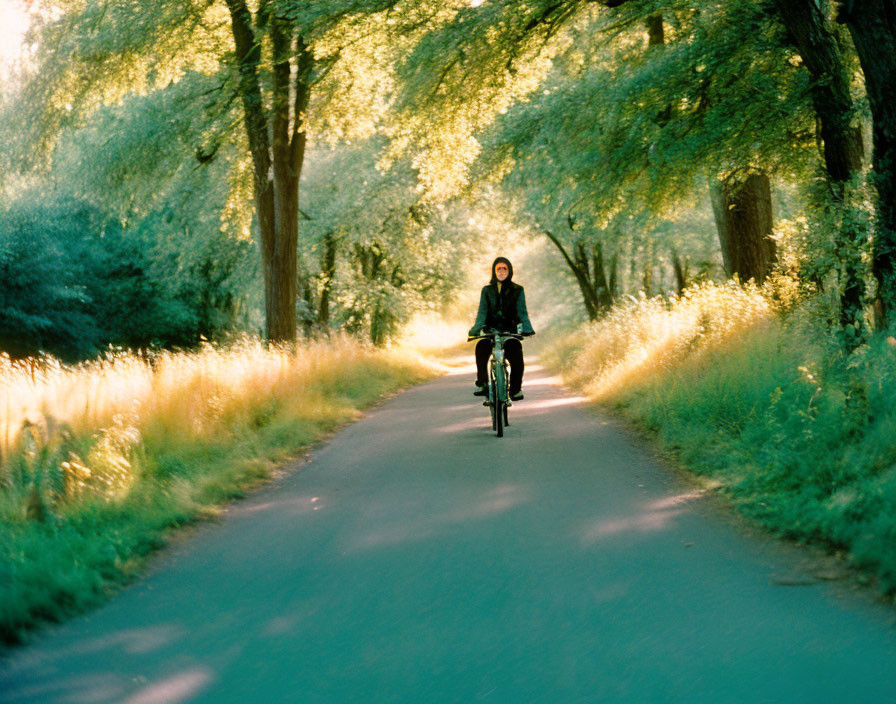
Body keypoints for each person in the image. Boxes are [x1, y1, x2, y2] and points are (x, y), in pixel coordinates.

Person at [468, 257, 535, 401]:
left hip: (509, 330)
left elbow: (522, 311)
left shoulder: (517, 290)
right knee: (481, 347)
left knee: (516, 351)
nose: (502, 271)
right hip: (490, 329)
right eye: (499, 268)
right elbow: (482, 312)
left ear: (509, 271)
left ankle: (515, 389)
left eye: (505, 268)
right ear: (494, 271)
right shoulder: (486, 290)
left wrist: (527, 329)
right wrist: (475, 330)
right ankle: (483, 384)